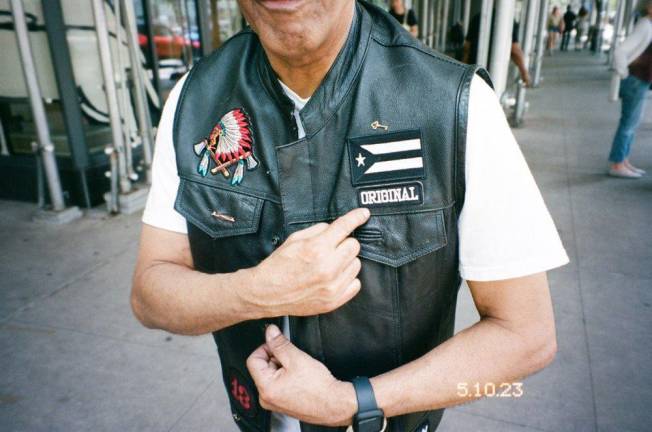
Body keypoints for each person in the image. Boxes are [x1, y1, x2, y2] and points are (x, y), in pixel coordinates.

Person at [131, 1, 568, 431]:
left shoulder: (454, 103)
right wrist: (257, 291)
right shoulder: (194, 100)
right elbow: (151, 295)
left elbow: (525, 335)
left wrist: (356, 402)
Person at [607, 0, 652, 178]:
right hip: (635, 79)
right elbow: (620, 51)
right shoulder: (645, 26)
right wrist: (623, 72)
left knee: (632, 123)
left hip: (640, 80)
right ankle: (617, 164)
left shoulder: (648, 25)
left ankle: (623, 160)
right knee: (628, 124)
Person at [464, 12, 531, 86]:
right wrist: (524, 73)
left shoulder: (478, 17)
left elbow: (467, 47)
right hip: (494, 70)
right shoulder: (508, 20)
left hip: (474, 67)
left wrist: (464, 69)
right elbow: (515, 51)